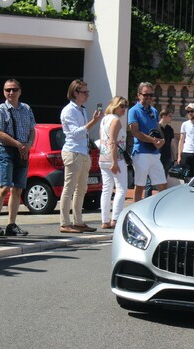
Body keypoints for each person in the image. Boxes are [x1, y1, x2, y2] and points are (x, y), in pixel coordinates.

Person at [0, 79, 36, 237]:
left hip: (23, 151)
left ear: (20, 91)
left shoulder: (26, 109)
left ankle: (11, 224)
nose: (10, 92)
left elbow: (32, 129)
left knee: (18, 189)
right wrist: (18, 144)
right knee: (4, 187)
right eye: (7, 89)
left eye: (14, 89)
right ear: (3, 92)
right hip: (7, 150)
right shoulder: (1, 109)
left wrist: (28, 145)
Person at [58, 78, 101, 234]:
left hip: (82, 152)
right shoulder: (68, 110)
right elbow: (75, 133)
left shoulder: (81, 109)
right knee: (69, 188)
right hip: (73, 151)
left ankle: (78, 221)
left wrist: (92, 122)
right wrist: (93, 122)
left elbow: (83, 132)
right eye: (84, 92)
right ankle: (65, 222)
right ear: (75, 93)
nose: (87, 95)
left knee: (81, 188)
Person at [128, 81, 167, 201]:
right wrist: (153, 141)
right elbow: (135, 132)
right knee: (140, 185)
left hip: (154, 153)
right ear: (139, 95)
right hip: (141, 152)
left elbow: (157, 128)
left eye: (151, 95)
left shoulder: (154, 111)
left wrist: (162, 140)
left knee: (163, 184)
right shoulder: (133, 111)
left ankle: (163, 209)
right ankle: (135, 211)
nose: (149, 97)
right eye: (146, 95)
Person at [98, 96, 129, 230]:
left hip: (103, 157)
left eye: (125, 106)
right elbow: (112, 141)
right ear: (115, 106)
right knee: (121, 189)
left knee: (107, 189)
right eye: (122, 106)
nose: (124, 109)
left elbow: (102, 139)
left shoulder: (104, 119)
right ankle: (115, 219)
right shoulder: (115, 120)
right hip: (115, 158)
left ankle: (105, 220)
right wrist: (115, 161)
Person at [158, 108, 175, 174]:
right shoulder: (156, 127)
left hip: (167, 157)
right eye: (170, 116)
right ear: (163, 116)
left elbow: (172, 144)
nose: (171, 118)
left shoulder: (170, 129)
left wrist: (175, 158)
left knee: (164, 179)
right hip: (157, 157)